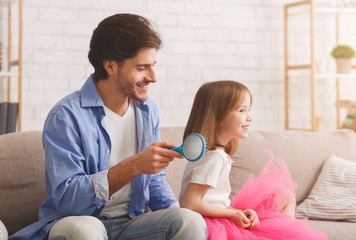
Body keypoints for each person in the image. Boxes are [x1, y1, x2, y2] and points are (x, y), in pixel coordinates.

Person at [9, 13, 207, 240]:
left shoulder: (147, 110)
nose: (153, 77)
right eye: (142, 67)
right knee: (86, 230)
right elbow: (68, 199)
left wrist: (176, 214)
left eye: (153, 66)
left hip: (132, 224)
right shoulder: (66, 116)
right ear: (110, 66)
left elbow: (154, 182)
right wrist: (134, 165)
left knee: (189, 221)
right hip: (78, 221)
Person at [179, 80, 328, 240]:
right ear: (220, 117)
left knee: (285, 195)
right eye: (242, 110)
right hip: (214, 225)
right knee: (286, 199)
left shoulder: (209, 153)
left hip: (219, 216)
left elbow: (211, 200)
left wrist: (236, 213)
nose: (249, 117)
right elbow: (189, 202)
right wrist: (233, 213)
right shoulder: (215, 157)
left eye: (249, 109)